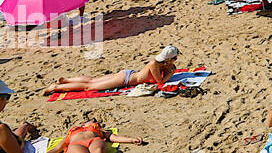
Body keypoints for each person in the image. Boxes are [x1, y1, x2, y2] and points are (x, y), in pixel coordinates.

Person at [43, 45, 180, 95]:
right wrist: (170, 73)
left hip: (127, 75)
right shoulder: (154, 64)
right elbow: (160, 82)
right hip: (126, 79)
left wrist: (168, 70)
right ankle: (56, 87)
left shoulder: (160, 63)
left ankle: (67, 80)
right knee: (89, 87)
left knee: (92, 80)